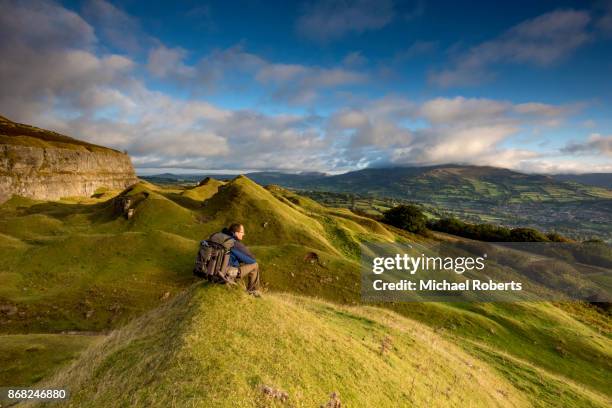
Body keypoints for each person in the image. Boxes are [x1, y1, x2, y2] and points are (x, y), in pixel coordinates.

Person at [222, 223, 261, 297]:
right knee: (255, 265)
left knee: (236, 263)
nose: (244, 234)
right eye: (242, 232)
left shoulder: (223, 238)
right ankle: (253, 292)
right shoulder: (234, 244)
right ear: (236, 233)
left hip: (214, 270)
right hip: (226, 272)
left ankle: (235, 283)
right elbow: (252, 260)